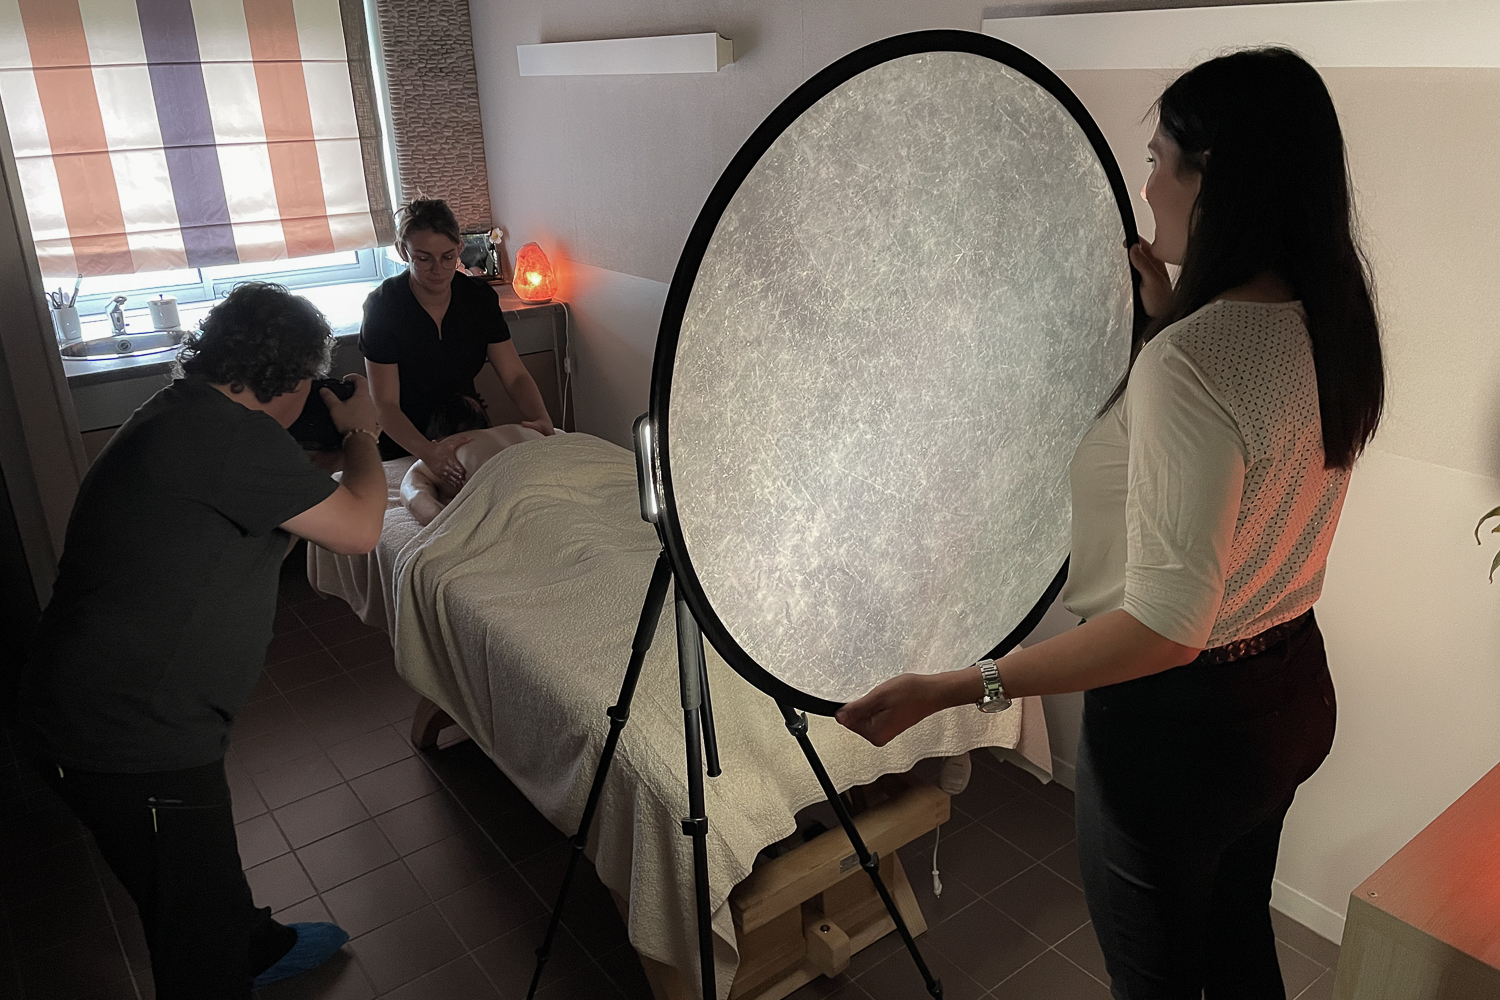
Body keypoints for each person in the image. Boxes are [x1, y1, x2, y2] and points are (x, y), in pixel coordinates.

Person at [836, 48, 1384, 999]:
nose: (1146, 186)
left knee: (1156, 978)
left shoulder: (1192, 363)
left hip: (1180, 734)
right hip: (1292, 692)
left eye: (1159, 159)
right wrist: (1168, 323)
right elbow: (1248, 462)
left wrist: (963, 684)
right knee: (1238, 942)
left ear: (1214, 180)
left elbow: (1168, 628)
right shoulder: (1328, 320)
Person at [23, 283, 389, 999]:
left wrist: (326, 469)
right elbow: (360, 530)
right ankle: (228, 958)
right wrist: (362, 435)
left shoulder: (185, 412)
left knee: (197, 866)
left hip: (100, 712)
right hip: (129, 736)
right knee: (193, 934)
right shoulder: (230, 438)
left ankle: (254, 945)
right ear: (292, 379)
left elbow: (265, 518)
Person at [360, 198, 555, 489]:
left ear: (460, 248)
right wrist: (429, 453)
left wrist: (541, 419)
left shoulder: (477, 299)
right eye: (424, 258)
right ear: (403, 251)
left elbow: (514, 375)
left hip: (465, 424)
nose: (438, 269)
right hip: (405, 438)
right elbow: (385, 404)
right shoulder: (384, 307)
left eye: (447, 257)